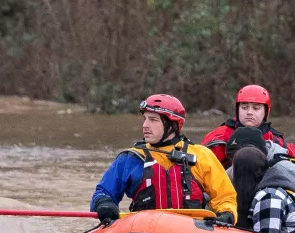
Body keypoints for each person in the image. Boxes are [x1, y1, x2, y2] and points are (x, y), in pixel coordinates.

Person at [201, 84, 295, 230]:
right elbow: (203, 171)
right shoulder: (218, 138)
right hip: (228, 201)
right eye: (244, 107)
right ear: (237, 109)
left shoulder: (277, 142)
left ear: (266, 112)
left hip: (269, 201)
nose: (249, 112)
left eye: (256, 108)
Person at [89, 94, 236, 224]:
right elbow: (103, 192)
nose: (145, 125)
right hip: (144, 232)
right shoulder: (130, 159)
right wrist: (104, 203)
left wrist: (226, 214)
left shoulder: (202, 156)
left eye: (153, 120)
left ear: (171, 125)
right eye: (145, 119)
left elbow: (225, 197)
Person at [226, 127, 295, 233]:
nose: (233, 165)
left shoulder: (285, 169)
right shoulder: (238, 168)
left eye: (235, 157)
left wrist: (281, 208)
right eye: (231, 158)